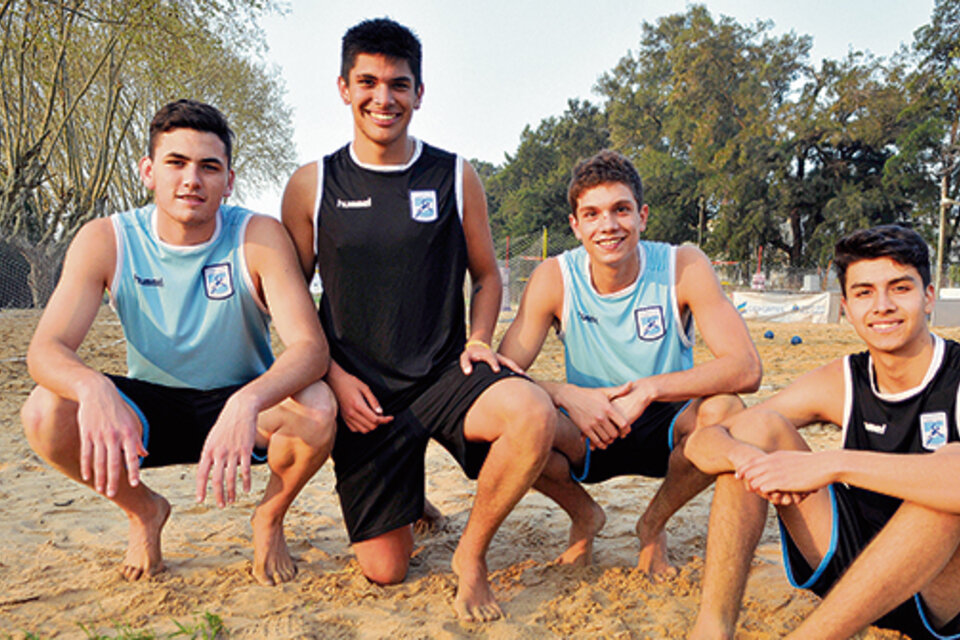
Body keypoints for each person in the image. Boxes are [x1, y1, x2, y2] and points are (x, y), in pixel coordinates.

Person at [280, 18, 555, 622]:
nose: (385, 98)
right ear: (344, 87)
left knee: (532, 414)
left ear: (420, 93)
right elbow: (291, 301)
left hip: (441, 375)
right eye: (369, 82)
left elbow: (487, 275)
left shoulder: (454, 175)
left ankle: (470, 557)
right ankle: (410, 499)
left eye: (399, 84)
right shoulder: (311, 184)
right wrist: (330, 376)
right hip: (361, 393)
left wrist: (480, 337)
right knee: (385, 571)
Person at [21, 99, 336, 587]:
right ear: (148, 171)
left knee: (317, 406)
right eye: (176, 163)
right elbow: (46, 350)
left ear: (228, 181)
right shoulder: (107, 239)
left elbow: (310, 349)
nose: (192, 179)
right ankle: (144, 510)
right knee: (44, 411)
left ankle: (269, 518)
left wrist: (248, 399)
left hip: (242, 410)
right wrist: (93, 388)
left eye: (209, 167)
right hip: (148, 415)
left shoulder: (257, 236)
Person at [685, 225, 960, 639]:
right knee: (756, 430)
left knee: (942, 494)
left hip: (939, 595)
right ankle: (712, 629)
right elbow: (702, 443)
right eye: (865, 293)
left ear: (928, 297)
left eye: (899, 288)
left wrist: (832, 464)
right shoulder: (843, 380)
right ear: (846, 307)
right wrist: (747, 460)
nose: (882, 306)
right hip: (852, 574)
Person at [498, 150, 762, 572]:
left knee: (728, 411)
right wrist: (568, 394)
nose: (608, 225)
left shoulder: (683, 264)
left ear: (642, 216)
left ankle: (653, 525)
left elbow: (746, 368)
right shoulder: (555, 276)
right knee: (515, 421)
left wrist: (650, 388)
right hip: (590, 424)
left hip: (667, 421)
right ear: (576, 225)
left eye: (621, 210)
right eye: (593, 214)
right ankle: (584, 515)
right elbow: (503, 375)